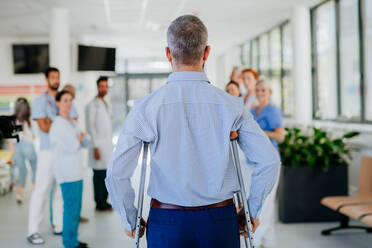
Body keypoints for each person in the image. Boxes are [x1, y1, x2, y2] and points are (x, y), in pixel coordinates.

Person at [105, 15, 280, 248]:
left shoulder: (146, 108)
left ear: (168, 54)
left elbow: (116, 174)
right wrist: (252, 210)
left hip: (166, 221)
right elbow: (268, 161)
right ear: (206, 53)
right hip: (220, 219)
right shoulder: (231, 105)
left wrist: (130, 220)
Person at [27, 67, 78, 245]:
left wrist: (56, 120)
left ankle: (58, 225)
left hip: (62, 153)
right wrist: (61, 120)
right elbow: (44, 127)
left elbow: (74, 123)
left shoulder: (64, 100)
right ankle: (32, 231)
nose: (56, 80)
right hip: (47, 152)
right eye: (53, 77)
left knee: (59, 191)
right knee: (42, 189)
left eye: (58, 77)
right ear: (47, 79)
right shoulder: (41, 101)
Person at [50, 90, 90, 248]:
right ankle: (69, 242)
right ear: (58, 103)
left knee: (76, 209)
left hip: (76, 171)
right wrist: (79, 139)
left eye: (70, 100)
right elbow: (72, 145)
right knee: (70, 209)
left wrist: (80, 139)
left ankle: (73, 239)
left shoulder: (72, 122)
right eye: (64, 100)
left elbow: (85, 141)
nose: (68, 103)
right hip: (67, 173)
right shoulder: (58, 124)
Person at [250, 80, 285, 248]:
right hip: (255, 162)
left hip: (270, 163)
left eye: (263, 90)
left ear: (269, 92)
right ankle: (267, 241)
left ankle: (256, 241)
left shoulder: (273, 111)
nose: (260, 92)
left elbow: (281, 136)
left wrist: (260, 133)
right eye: (257, 90)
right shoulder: (252, 110)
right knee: (261, 203)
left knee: (265, 203)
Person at [86, 76, 113, 211]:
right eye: (101, 86)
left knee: (106, 174)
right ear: (97, 87)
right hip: (98, 146)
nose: (104, 89)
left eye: (106, 86)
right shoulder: (92, 105)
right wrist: (95, 146)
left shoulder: (105, 103)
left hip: (107, 146)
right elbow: (90, 127)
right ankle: (99, 203)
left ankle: (104, 200)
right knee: (98, 175)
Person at [11, 98, 37, 204]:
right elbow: (34, 134)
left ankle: (19, 195)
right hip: (28, 145)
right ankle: (35, 192)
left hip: (17, 147)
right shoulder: (29, 118)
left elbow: (10, 137)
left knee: (23, 171)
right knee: (35, 168)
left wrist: (13, 150)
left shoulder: (13, 119)